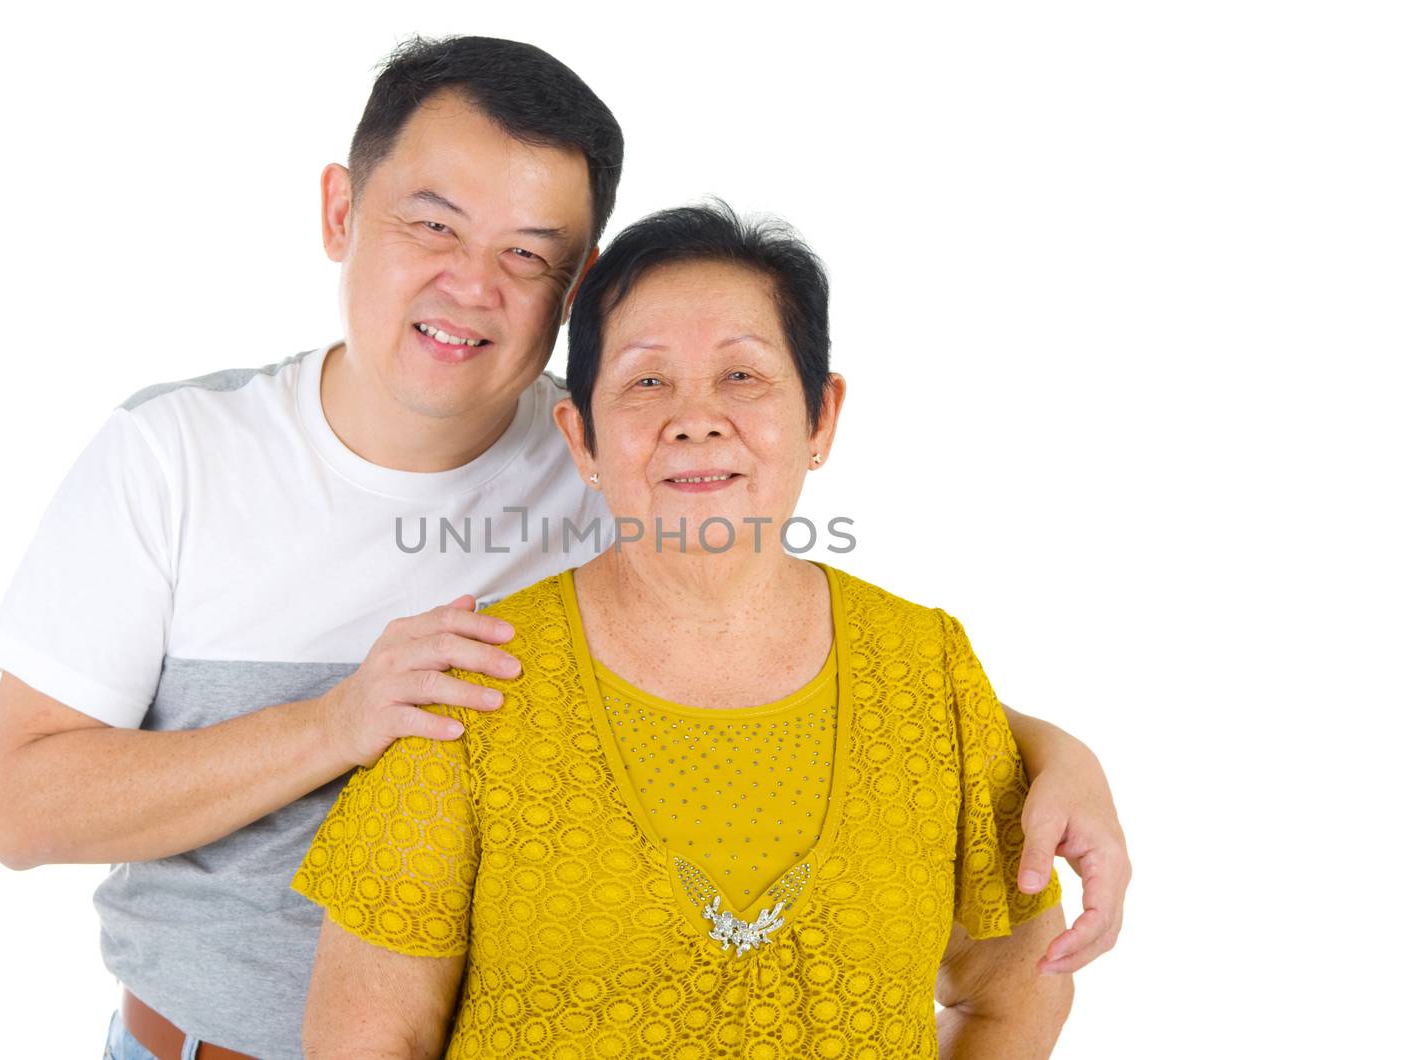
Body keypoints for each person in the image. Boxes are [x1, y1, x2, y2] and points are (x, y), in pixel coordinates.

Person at [0, 36, 1126, 1060]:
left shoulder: (620, 456)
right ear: (340, 212)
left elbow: (809, 659)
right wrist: (335, 721)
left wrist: (1048, 753)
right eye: (431, 224)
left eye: (531, 256)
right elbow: (18, 808)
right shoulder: (175, 453)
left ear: (573, 291)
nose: (472, 285)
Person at [296, 202, 1076, 1059]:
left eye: (743, 377)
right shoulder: (471, 684)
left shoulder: (927, 666)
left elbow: (1015, 991)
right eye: (646, 381)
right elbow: (370, 1037)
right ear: (581, 439)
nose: (696, 417)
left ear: (821, 418)